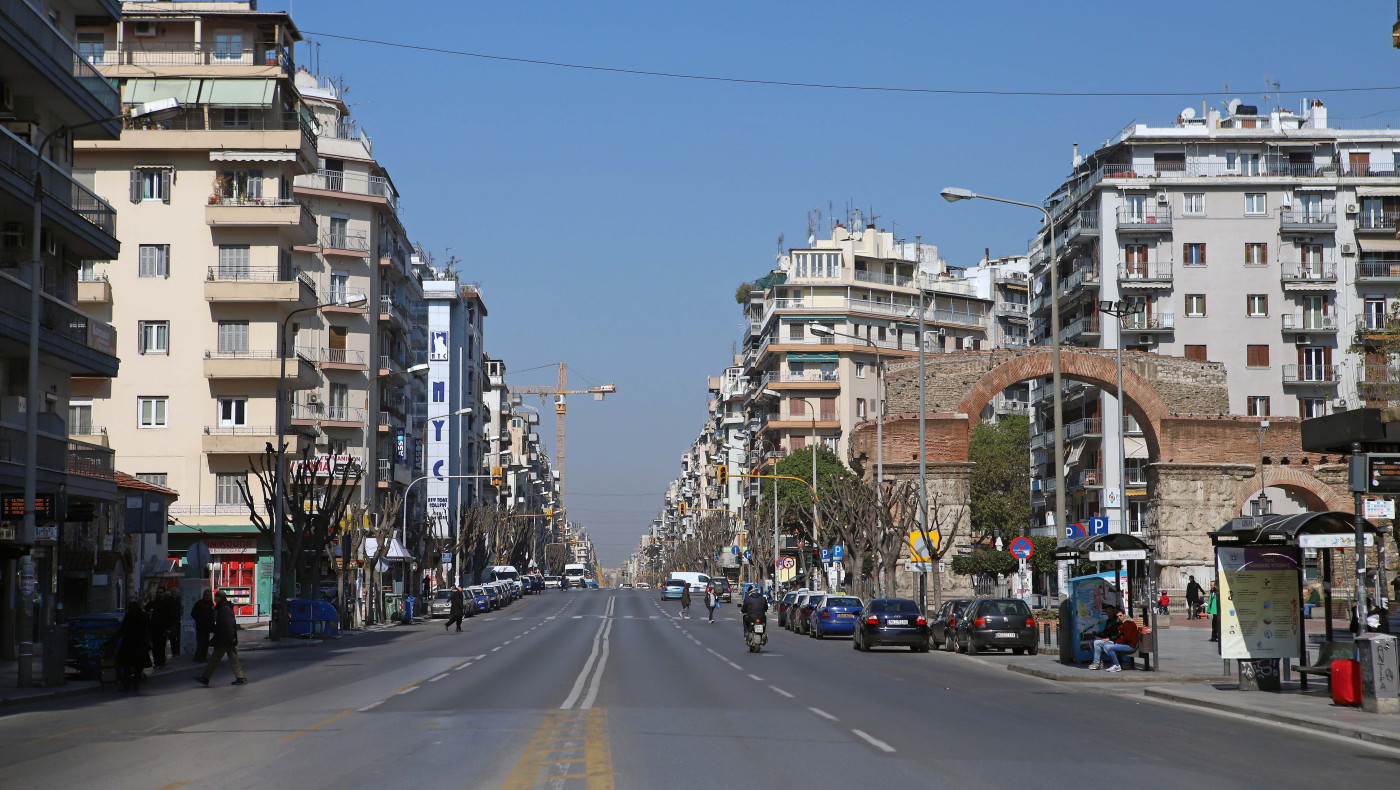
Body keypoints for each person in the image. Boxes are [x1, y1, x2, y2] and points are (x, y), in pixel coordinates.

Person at [195, 591, 247, 686]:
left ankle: (205, 677)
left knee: (215, 659)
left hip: (224, 637)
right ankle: (240, 677)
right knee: (232, 658)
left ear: (219, 597)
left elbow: (229, 623)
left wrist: (231, 637)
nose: (214, 599)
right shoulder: (222, 607)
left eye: (215, 597)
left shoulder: (224, 608)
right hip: (225, 637)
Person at [114, 600, 152, 692]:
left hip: (128, 645)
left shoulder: (128, 616)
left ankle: (127, 684)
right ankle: (136, 684)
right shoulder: (143, 616)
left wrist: (110, 640)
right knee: (139, 667)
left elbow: (122, 630)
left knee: (127, 666)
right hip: (140, 645)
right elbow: (146, 631)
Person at [146, 589, 170, 668]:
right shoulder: (155, 602)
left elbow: (172, 616)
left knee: (161, 646)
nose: (159, 594)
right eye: (157, 593)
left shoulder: (167, 603)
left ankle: (161, 662)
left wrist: (168, 627)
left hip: (163, 628)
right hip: (154, 628)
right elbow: (146, 608)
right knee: (155, 647)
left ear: (164, 593)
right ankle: (156, 662)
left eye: (160, 592)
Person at [190, 589, 215, 662]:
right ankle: (199, 657)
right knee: (201, 643)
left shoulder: (210, 604)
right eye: (206, 595)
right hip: (201, 627)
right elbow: (193, 613)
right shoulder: (200, 603)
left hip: (207, 627)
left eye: (209, 595)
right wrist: (200, 620)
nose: (207, 596)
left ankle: (203, 657)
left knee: (205, 643)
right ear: (203, 595)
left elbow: (211, 615)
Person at [162, 587, 184, 658]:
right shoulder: (168, 601)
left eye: (175, 592)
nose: (174, 593)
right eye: (172, 592)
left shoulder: (180, 600)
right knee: (173, 637)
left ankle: (178, 651)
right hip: (171, 622)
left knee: (179, 637)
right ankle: (174, 652)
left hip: (179, 621)